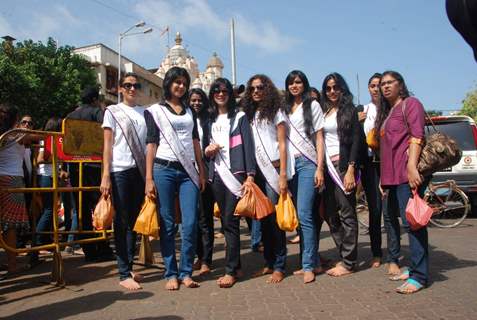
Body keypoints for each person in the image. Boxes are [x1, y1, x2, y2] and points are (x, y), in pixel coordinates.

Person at [145, 67, 206, 290]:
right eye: (177, 82)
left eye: (184, 83)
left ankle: (186, 272)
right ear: (168, 83)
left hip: (188, 171)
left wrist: (201, 170)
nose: (180, 86)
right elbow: (151, 144)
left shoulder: (191, 111)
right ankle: (171, 273)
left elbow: (196, 142)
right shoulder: (155, 111)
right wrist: (148, 178)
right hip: (164, 169)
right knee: (168, 224)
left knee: (189, 224)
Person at [375, 70, 429, 294]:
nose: (385, 87)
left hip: (406, 175)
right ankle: (413, 267)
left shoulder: (411, 104)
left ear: (400, 84)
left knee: (413, 223)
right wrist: (382, 179)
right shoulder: (388, 113)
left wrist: (412, 167)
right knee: (394, 221)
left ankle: (420, 276)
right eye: (383, 84)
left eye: (390, 83)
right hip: (390, 178)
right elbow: (386, 149)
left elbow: (417, 135)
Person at [203, 77, 256, 288]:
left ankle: (231, 270)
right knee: (226, 223)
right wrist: (208, 151)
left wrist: (250, 174)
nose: (221, 94)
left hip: (236, 176)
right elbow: (205, 148)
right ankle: (237, 265)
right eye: (216, 90)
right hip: (216, 176)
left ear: (230, 94)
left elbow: (248, 147)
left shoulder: (240, 117)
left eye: (224, 90)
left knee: (230, 223)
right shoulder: (209, 120)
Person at [100, 72, 147, 290]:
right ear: (120, 88)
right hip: (119, 170)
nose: (132, 88)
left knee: (134, 222)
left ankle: (128, 266)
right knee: (122, 222)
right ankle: (122, 271)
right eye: (127, 85)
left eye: (136, 85)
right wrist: (105, 175)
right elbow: (107, 145)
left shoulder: (145, 112)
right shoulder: (112, 111)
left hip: (139, 171)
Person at [241, 74, 289, 283]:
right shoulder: (248, 114)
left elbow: (282, 143)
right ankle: (269, 262)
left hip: (273, 169)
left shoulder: (276, 111)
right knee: (262, 219)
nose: (256, 92)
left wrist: (284, 173)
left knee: (274, 221)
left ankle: (279, 264)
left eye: (260, 88)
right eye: (252, 89)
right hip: (256, 171)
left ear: (267, 88)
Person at [283, 70, 324, 284]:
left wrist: (319, 167)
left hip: (307, 163)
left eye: (298, 82)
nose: (294, 86)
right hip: (290, 166)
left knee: (306, 215)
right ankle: (313, 260)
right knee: (301, 217)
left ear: (304, 84)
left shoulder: (313, 105)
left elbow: (319, 138)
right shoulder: (285, 109)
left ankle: (308, 265)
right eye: (291, 82)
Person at [321, 73, 362, 277]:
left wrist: (351, 169)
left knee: (347, 213)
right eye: (328, 88)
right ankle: (344, 253)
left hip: (343, 166)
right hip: (326, 167)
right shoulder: (323, 111)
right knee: (330, 214)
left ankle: (349, 262)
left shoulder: (349, 110)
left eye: (336, 87)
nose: (332, 91)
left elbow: (356, 141)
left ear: (342, 88)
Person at [67, 86, 113, 262]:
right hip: (94, 165)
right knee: (99, 206)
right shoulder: (97, 113)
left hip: (75, 166)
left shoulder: (70, 116)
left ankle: (88, 249)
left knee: (81, 209)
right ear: (95, 99)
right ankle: (102, 246)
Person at [0, 104, 33, 277]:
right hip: (13, 180)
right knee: (10, 225)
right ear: (15, 119)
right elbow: (35, 138)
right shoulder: (16, 134)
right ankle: (12, 264)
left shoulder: (4, 134)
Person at [359, 73, 384, 267]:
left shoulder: (391, 109)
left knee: (390, 210)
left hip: (387, 162)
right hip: (368, 163)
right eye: (372, 85)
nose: (376, 88)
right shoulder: (362, 110)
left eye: (379, 85)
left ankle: (393, 252)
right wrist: (357, 121)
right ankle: (377, 253)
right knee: (374, 208)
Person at [189, 88, 215, 275]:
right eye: (193, 100)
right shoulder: (183, 119)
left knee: (205, 218)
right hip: (187, 172)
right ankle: (198, 256)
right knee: (193, 219)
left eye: (199, 100)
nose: (196, 103)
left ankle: (206, 259)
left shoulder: (209, 120)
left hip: (206, 172)